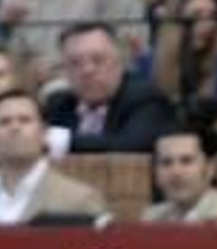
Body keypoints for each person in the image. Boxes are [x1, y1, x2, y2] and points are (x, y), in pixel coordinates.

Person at [0, 0, 147, 91]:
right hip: (39, 94)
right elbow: (15, 59)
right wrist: (4, 29)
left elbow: (128, 48)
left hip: (105, 89)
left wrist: (64, 75)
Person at [0, 87, 108, 224]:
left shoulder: (79, 200)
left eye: (25, 120)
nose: (15, 127)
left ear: (44, 133)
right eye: (4, 122)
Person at [43, 22, 177, 154]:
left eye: (98, 60)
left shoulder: (145, 99)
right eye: (75, 63)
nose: (87, 71)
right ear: (64, 70)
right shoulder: (58, 105)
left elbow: (130, 147)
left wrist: (64, 141)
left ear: (120, 62)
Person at [141, 127, 217, 222]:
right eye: (166, 163)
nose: (176, 172)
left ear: (210, 169)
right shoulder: (152, 218)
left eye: (186, 161)